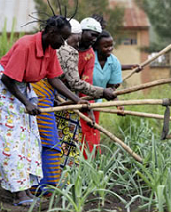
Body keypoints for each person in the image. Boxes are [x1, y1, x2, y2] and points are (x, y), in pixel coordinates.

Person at [29, 17, 92, 197]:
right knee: (49, 143)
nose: (65, 43)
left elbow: (54, 78)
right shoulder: (29, 45)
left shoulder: (51, 50)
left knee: (51, 143)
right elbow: (70, 81)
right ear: (52, 33)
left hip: (49, 97)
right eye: (64, 38)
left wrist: (74, 100)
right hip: (36, 98)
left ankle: (48, 186)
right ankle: (42, 187)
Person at [56, 18, 116, 165]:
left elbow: (85, 81)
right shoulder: (63, 47)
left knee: (71, 137)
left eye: (97, 36)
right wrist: (102, 92)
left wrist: (87, 106)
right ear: (80, 32)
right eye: (92, 35)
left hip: (73, 98)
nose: (94, 40)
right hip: (55, 95)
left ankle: (69, 172)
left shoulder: (89, 54)